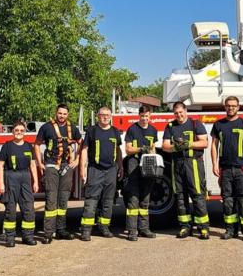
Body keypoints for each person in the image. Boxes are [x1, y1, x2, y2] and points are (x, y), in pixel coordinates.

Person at [211, 96, 243, 241]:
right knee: (228, 201)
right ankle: (230, 230)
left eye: (233, 106)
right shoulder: (218, 124)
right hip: (225, 169)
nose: (230, 108)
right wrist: (214, 164)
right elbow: (214, 145)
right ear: (224, 107)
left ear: (238, 107)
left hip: (241, 168)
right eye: (228, 105)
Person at [34, 104, 82, 243]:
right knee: (51, 200)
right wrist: (40, 163)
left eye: (65, 114)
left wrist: (77, 160)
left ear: (68, 115)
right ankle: (48, 233)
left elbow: (81, 142)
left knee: (63, 199)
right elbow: (36, 144)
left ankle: (61, 230)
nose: (62, 116)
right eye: (60, 113)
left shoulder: (72, 128)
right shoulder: (46, 127)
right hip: (51, 166)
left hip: (66, 166)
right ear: (56, 113)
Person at [162, 102, 210, 239]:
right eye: (176, 113)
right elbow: (165, 146)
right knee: (180, 196)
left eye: (181, 112)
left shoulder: (196, 124)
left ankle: (203, 228)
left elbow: (204, 143)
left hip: (193, 163)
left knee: (197, 195)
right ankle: (185, 227)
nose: (179, 115)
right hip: (177, 164)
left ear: (186, 111)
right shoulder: (170, 126)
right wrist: (176, 147)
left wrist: (188, 144)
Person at [79, 107, 123, 241]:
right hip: (95, 170)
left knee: (108, 201)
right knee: (91, 200)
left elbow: (118, 150)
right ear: (98, 116)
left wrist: (120, 166)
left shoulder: (115, 131)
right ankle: (86, 230)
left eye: (108, 115)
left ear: (111, 117)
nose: (105, 117)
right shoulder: (92, 131)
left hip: (111, 170)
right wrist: (82, 169)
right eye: (103, 115)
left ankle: (104, 227)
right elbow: (84, 150)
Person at [0, 120, 39, 247]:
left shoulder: (28, 146)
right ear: (12, 131)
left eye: (21, 130)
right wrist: (1, 183)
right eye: (17, 130)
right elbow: (0, 165)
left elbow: (33, 165)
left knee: (28, 209)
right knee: (10, 209)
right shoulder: (7, 146)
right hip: (11, 177)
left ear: (24, 132)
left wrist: (35, 181)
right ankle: (10, 238)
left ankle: (28, 236)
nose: (19, 133)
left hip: (25, 178)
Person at [123, 105, 159, 241]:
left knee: (145, 200)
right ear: (139, 116)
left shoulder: (153, 130)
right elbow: (128, 149)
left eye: (147, 116)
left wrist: (155, 161)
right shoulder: (132, 129)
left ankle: (144, 229)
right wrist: (140, 149)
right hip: (134, 166)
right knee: (133, 200)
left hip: (148, 166)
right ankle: (132, 231)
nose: (144, 118)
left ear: (150, 116)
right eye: (142, 116)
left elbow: (154, 149)